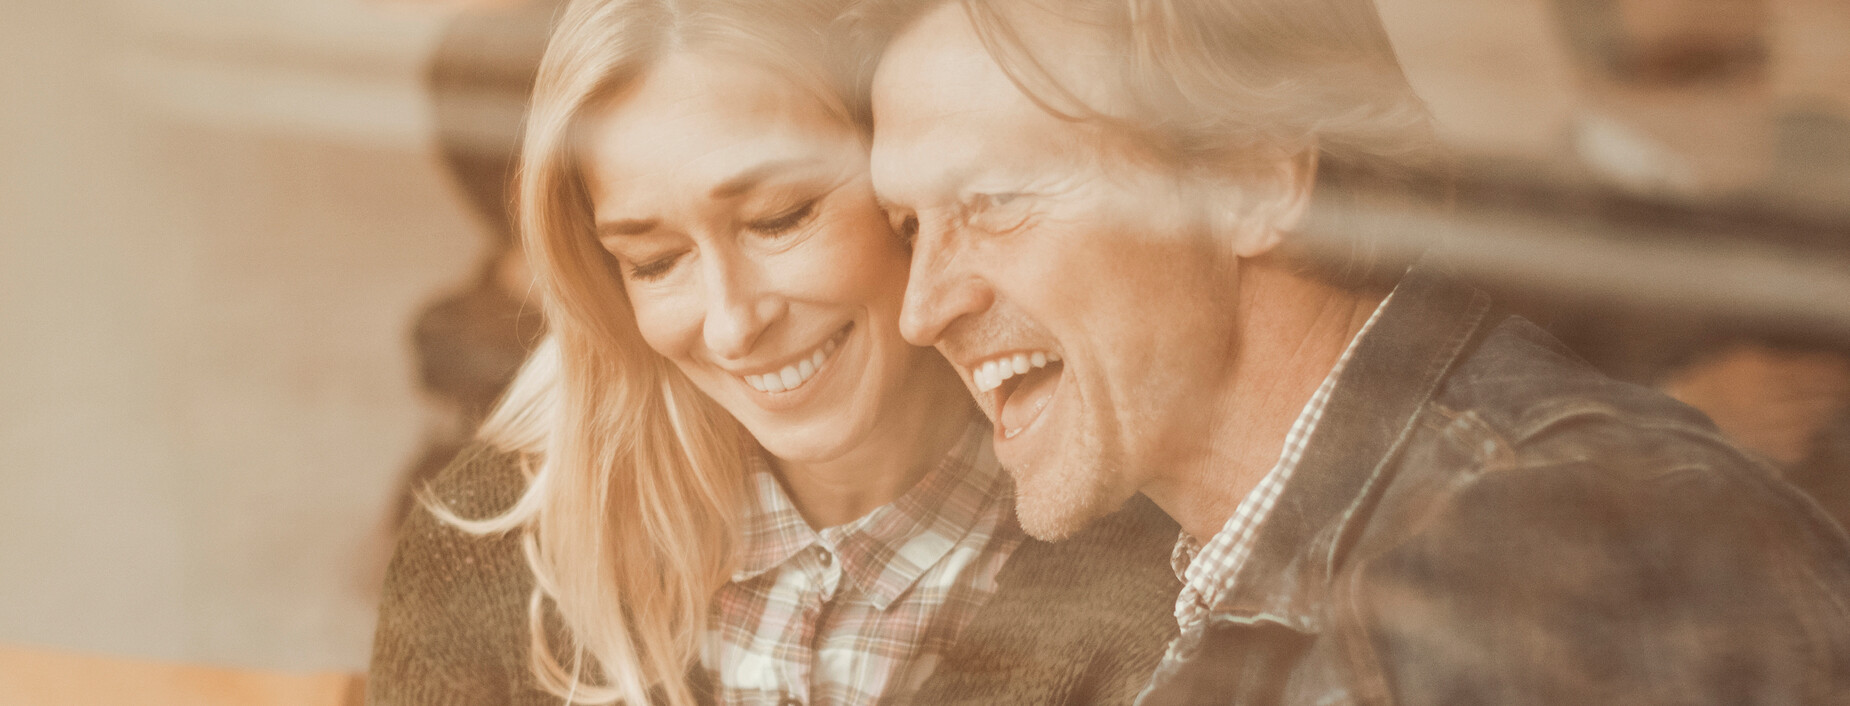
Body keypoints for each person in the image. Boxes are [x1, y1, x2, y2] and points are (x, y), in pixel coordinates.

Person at [851, 0, 1850, 703]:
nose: (922, 307)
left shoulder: (1533, 550)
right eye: (908, 228)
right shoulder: (1190, 579)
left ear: (1253, 183)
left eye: (991, 202)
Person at [367, 0, 1180, 704]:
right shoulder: (493, 553)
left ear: (906, 174)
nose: (730, 326)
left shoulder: (1160, 578)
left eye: (780, 217)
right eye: (654, 262)